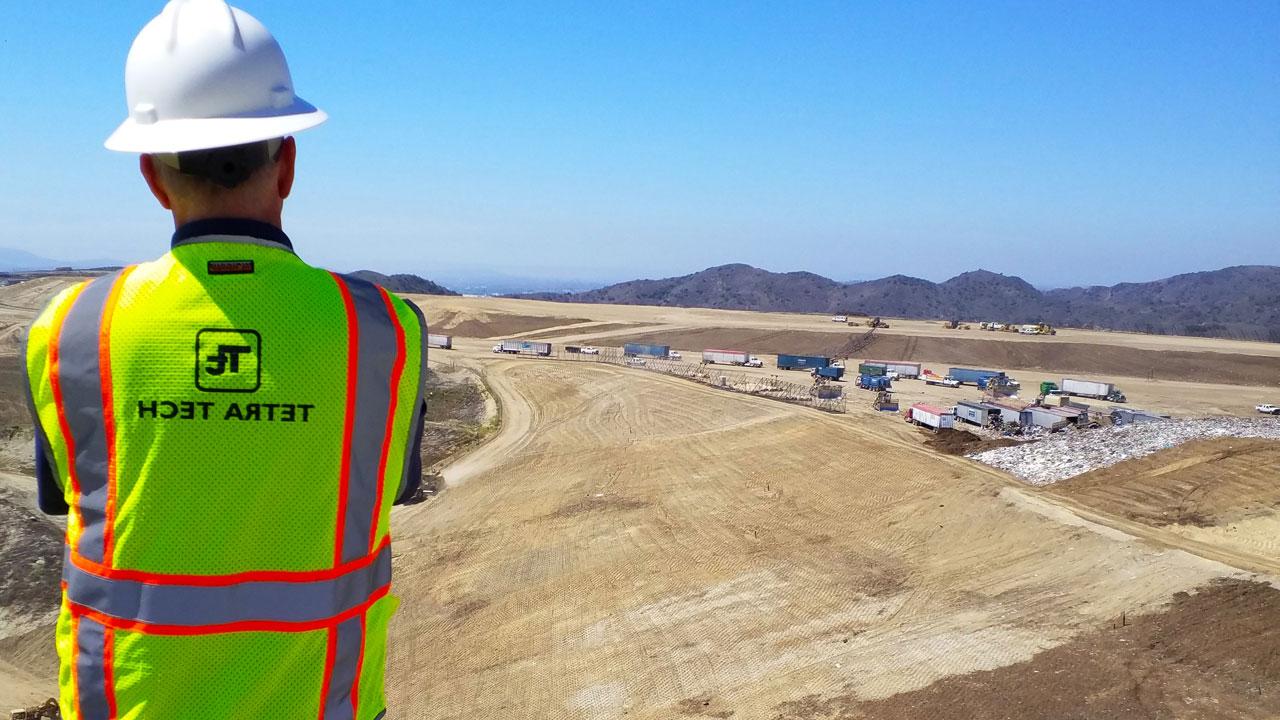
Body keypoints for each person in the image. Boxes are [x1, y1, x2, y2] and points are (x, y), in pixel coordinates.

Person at [22, 2, 426, 717]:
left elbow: (70, 500)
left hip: (127, 700)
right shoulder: (387, 333)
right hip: (321, 701)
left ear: (151, 174)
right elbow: (389, 486)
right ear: (288, 162)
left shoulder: (70, 329)